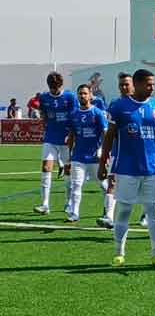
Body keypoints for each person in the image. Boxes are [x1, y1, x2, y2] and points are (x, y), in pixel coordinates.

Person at [98, 69, 155, 267]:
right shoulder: (119, 106)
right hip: (126, 169)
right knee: (124, 209)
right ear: (137, 84)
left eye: (153, 84)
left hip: (152, 170)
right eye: (148, 84)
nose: (152, 87)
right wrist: (103, 162)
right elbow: (109, 137)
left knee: (153, 211)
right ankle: (119, 253)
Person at [34, 72, 78, 215]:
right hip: (50, 138)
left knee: (68, 171)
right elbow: (43, 113)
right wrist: (46, 122)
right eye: (52, 88)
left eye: (56, 87)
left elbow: (75, 117)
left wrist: (71, 134)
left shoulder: (70, 97)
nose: (54, 90)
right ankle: (45, 204)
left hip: (66, 139)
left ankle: (68, 202)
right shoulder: (44, 97)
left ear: (61, 85)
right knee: (46, 168)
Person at [65, 84, 108, 222]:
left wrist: (103, 150)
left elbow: (106, 133)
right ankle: (74, 213)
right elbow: (71, 136)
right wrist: (69, 157)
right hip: (78, 157)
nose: (82, 96)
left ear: (90, 95)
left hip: (95, 158)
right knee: (76, 185)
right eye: (80, 94)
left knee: (104, 185)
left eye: (84, 93)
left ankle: (109, 210)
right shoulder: (74, 115)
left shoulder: (97, 113)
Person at [96, 72, 134, 228]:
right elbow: (110, 132)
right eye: (121, 85)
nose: (124, 87)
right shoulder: (115, 104)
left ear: (134, 85)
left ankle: (146, 214)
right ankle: (109, 217)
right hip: (118, 152)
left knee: (141, 188)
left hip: (138, 153)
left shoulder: (143, 103)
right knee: (112, 182)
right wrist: (105, 154)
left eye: (127, 84)